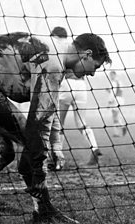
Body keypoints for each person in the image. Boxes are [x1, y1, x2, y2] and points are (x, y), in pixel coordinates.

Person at [0, 31, 111, 224]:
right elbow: (39, 122)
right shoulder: (54, 62)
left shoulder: (55, 54)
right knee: (32, 144)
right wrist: (38, 158)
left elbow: (48, 107)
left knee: (3, 151)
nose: (92, 73)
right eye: (95, 66)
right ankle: (43, 211)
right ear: (86, 54)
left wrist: (55, 145)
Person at [46, 27, 102, 169]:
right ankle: (94, 147)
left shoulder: (60, 50)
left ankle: (57, 158)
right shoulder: (76, 48)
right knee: (82, 123)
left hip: (66, 85)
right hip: (81, 87)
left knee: (59, 123)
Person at [106, 70, 127, 137]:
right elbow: (120, 90)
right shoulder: (119, 82)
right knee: (117, 116)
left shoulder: (113, 82)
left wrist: (110, 101)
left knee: (115, 116)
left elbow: (113, 92)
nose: (111, 77)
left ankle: (119, 130)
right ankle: (120, 129)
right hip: (121, 100)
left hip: (116, 100)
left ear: (114, 75)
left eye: (111, 75)